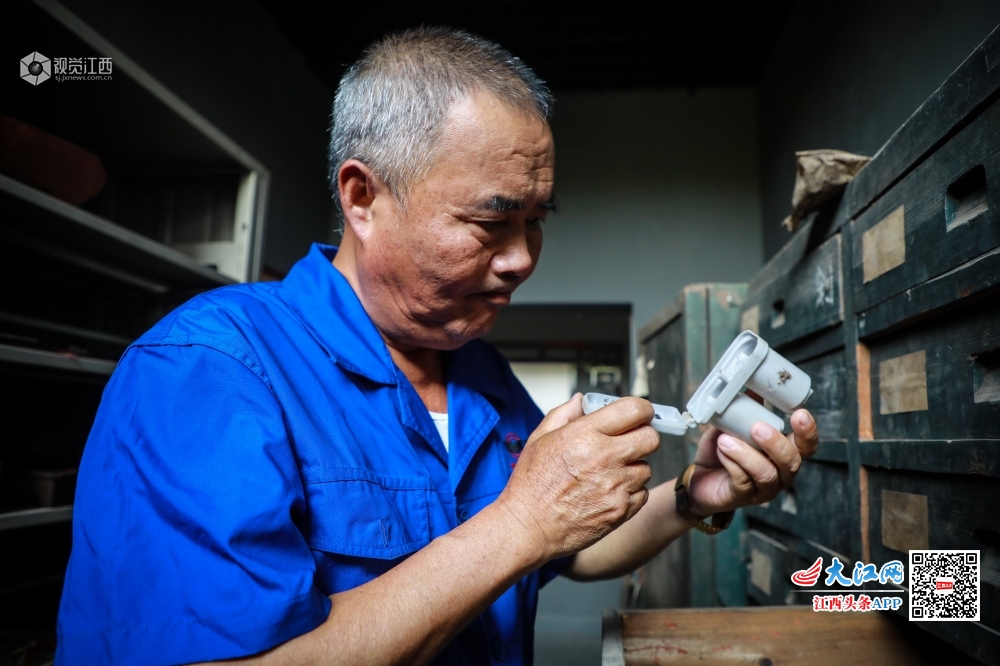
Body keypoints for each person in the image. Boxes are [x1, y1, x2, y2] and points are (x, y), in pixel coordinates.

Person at [56, 28, 818, 666]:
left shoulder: (477, 372)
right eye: (492, 221)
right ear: (363, 198)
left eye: (537, 220)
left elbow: (565, 552)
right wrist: (522, 522)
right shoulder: (208, 370)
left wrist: (691, 499)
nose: (522, 257)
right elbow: (529, 531)